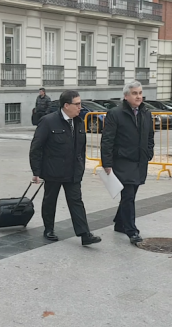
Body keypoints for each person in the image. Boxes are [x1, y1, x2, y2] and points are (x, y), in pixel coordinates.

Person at [29, 90, 101, 246]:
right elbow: (36, 147)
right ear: (66, 105)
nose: (80, 107)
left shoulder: (79, 121)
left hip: (73, 171)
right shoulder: (48, 121)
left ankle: (84, 234)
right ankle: (49, 229)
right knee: (50, 201)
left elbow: (81, 148)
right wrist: (36, 172)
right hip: (53, 170)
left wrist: (81, 165)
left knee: (76, 201)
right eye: (77, 104)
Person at [100, 81, 154, 244]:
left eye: (140, 93)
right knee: (128, 195)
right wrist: (107, 163)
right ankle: (132, 231)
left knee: (129, 195)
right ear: (126, 96)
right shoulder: (115, 113)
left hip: (140, 161)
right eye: (135, 93)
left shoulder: (146, 113)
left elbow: (150, 135)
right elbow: (107, 140)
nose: (139, 96)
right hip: (123, 161)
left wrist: (149, 152)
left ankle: (119, 223)